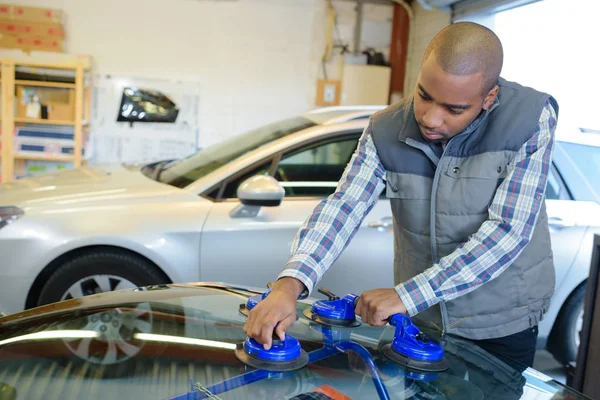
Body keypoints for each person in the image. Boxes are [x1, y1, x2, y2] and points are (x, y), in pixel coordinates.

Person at [243, 21, 558, 368]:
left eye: (454, 109)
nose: (430, 118)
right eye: (424, 95)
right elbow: (345, 206)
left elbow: (507, 232)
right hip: (421, 319)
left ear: (488, 98)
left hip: (500, 321)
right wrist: (290, 284)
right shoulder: (385, 128)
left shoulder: (530, 120)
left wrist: (406, 295)